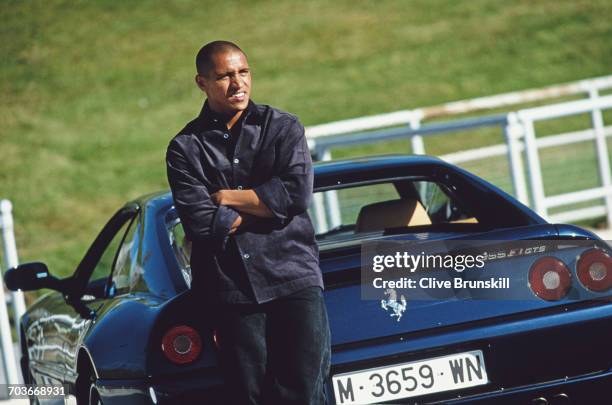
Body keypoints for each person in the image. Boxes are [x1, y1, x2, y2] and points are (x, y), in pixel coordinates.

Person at [165, 40, 331, 405]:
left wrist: (226, 197)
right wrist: (267, 205)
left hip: (294, 278)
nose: (238, 83)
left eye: (243, 72)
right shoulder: (184, 148)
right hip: (230, 291)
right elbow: (202, 223)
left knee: (304, 393)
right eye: (224, 76)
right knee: (251, 397)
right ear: (201, 82)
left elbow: (296, 195)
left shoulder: (284, 128)